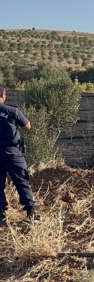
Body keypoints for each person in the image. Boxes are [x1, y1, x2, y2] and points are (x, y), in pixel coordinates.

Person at [0, 85, 37, 227]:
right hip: (11, 152)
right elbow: (27, 126)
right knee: (21, 181)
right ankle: (31, 213)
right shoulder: (12, 111)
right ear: (3, 95)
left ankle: (1, 218)